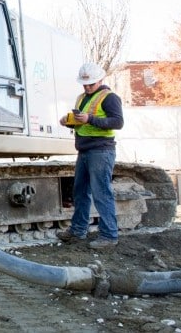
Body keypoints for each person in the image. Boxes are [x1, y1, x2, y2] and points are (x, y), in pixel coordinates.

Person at [56, 62, 124, 249]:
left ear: (100, 80)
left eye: (90, 84)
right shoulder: (81, 98)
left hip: (101, 151)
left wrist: (90, 119)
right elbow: (82, 123)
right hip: (84, 150)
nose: (87, 87)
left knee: (101, 193)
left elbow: (117, 122)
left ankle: (109, 236)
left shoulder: (109, 98)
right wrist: (69, 121)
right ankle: (78, 230)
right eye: (85, 84)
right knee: (80, 192)